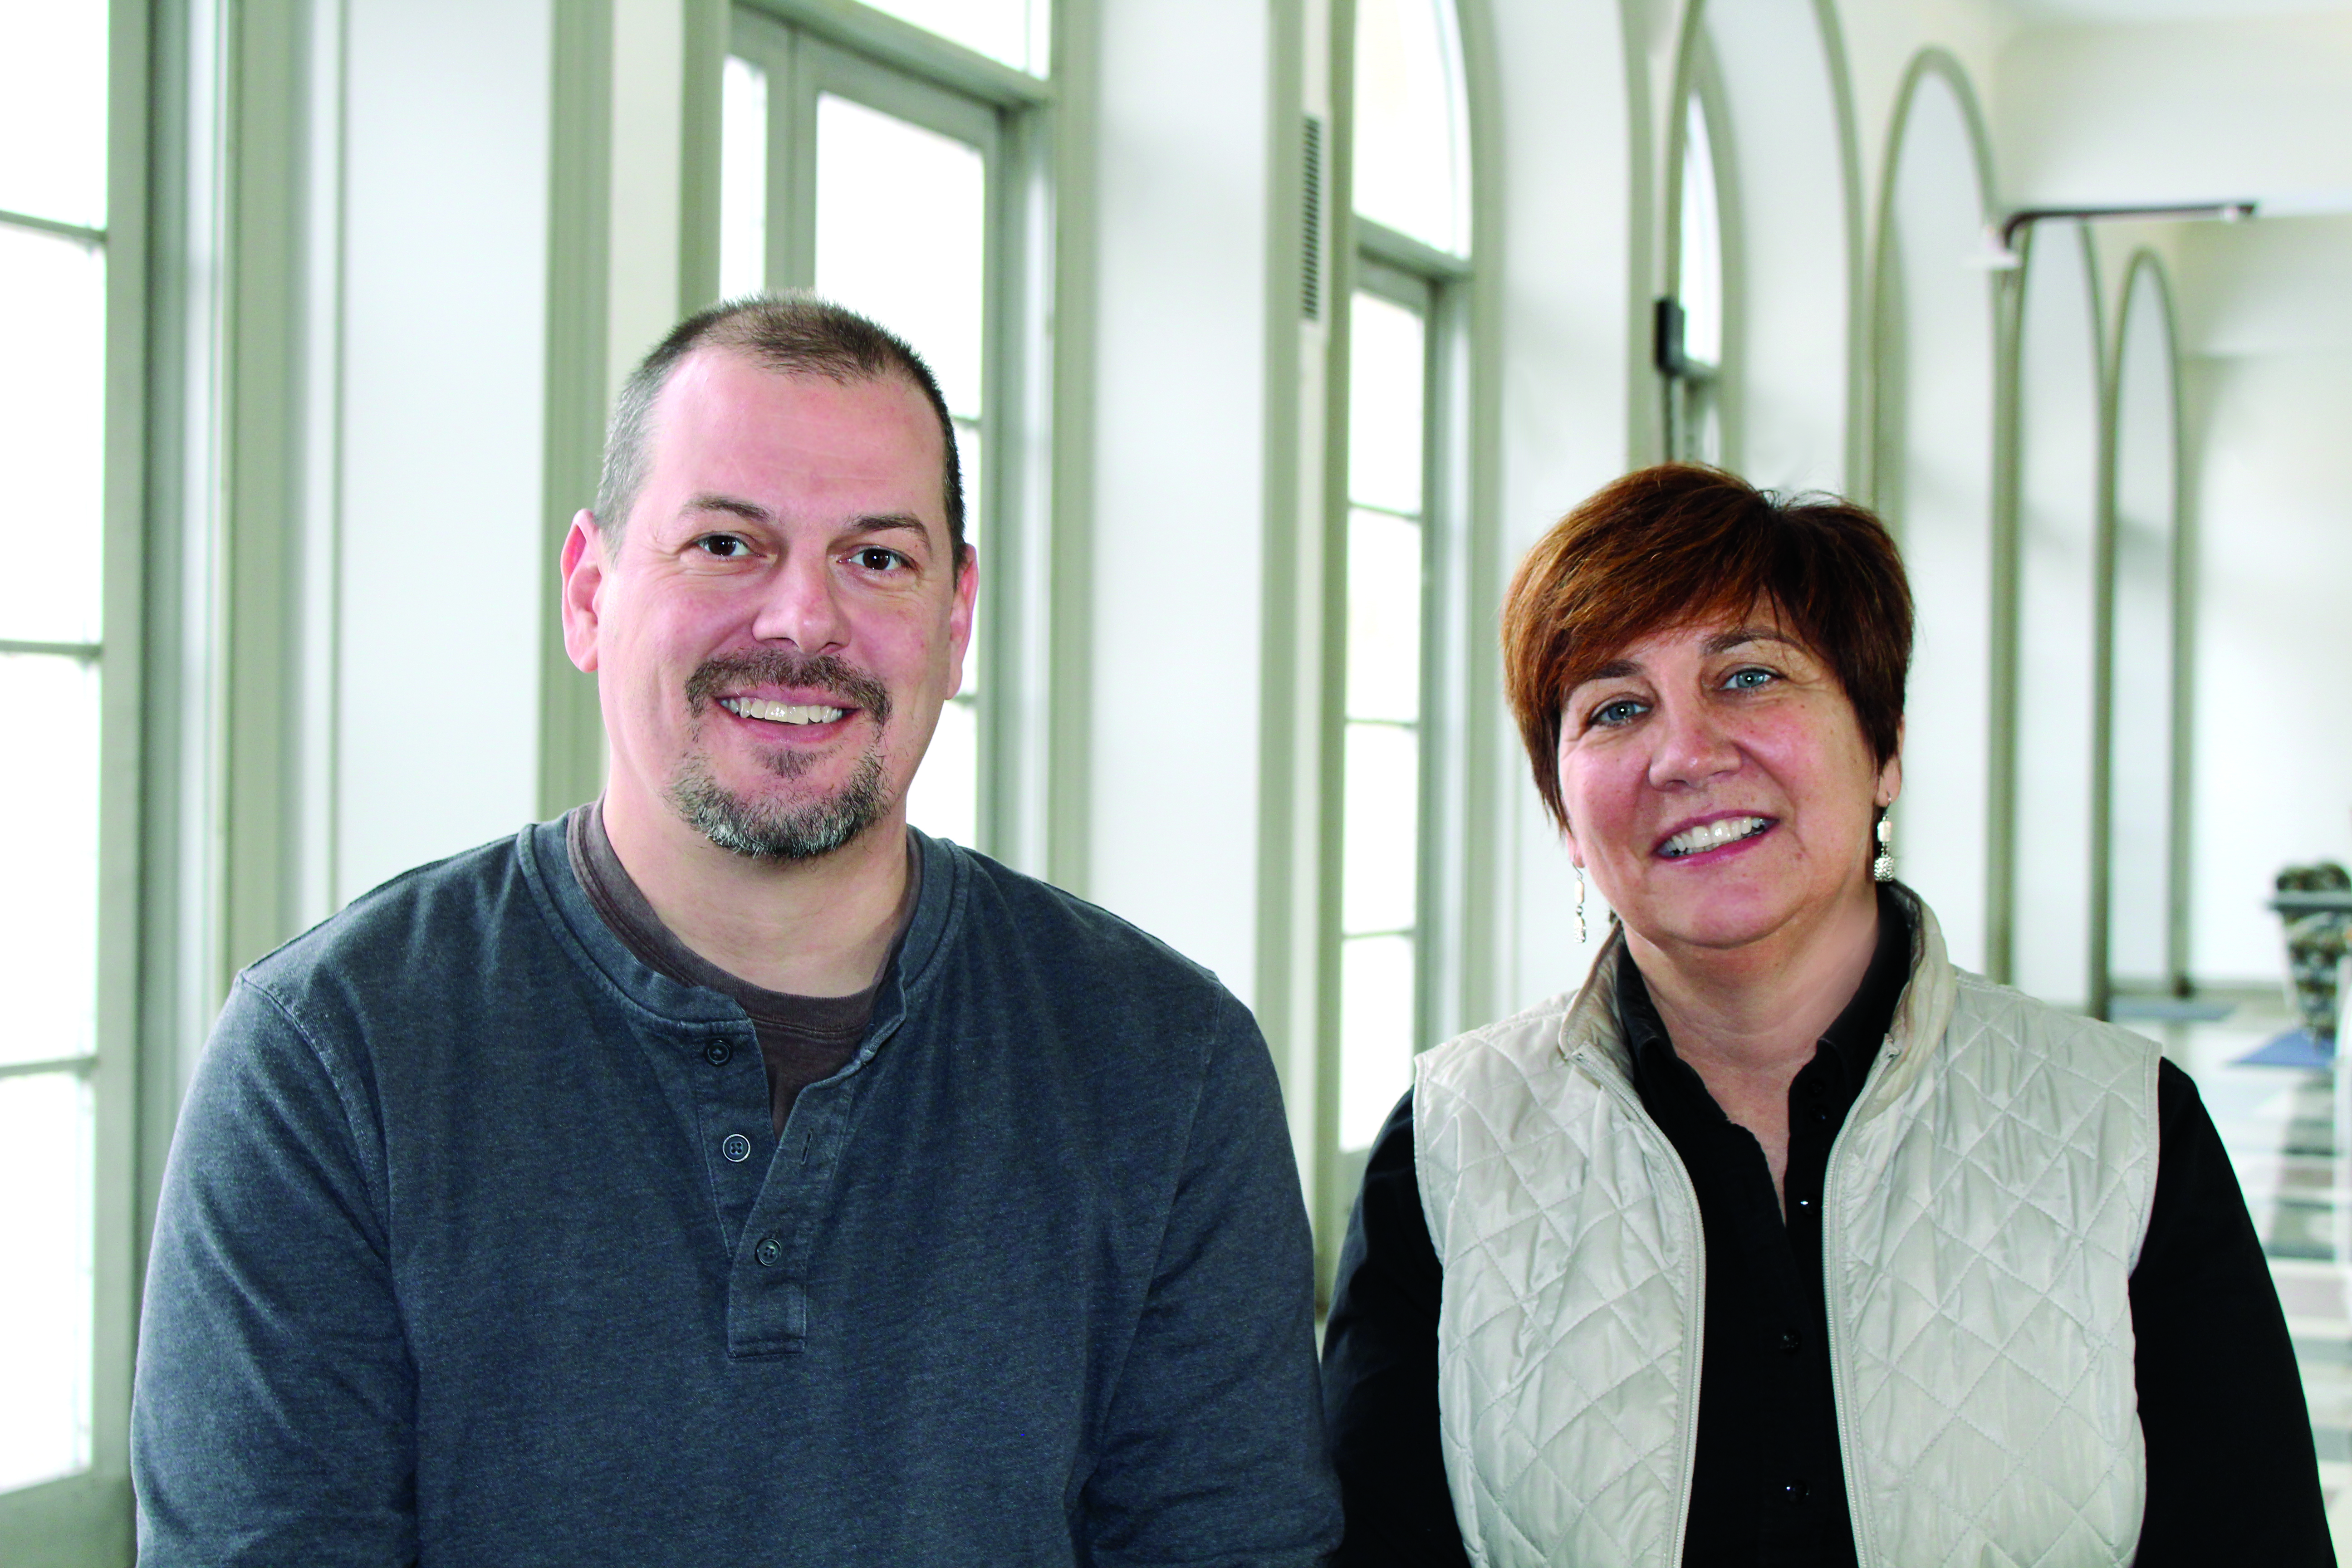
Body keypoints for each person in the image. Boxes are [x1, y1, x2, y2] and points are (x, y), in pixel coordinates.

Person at [132, 295, 1341, 1565]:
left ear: (957, 619)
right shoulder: (332, 1058)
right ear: (591, 594)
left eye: (877, 559)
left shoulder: (1168, 1064)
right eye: (725, 544)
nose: (802, 623)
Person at [1320, 464, 2331, 1567]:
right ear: (1565, 814)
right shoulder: (1453, 1141)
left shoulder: (2122, 1126)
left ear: (1885, 745)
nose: (1687, 755)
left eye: (1750, 678)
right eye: (1616, 709)